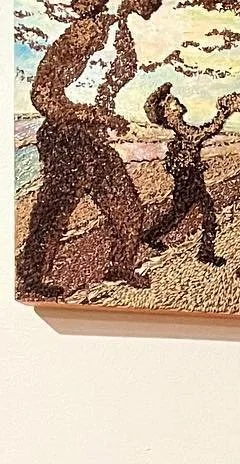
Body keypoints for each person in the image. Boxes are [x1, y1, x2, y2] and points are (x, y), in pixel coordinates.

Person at [16, 0, 162, 298]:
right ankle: (30, 281)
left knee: (128, 207)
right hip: (67, 137)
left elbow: (107, 84)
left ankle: (120, 266)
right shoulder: (83, 32)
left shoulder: (116, 27)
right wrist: (91, 115)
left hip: (92, 138)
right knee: (53, 213)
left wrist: (104, 116)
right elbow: (42, 94)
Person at [140, 83, 228, 265]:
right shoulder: (185, 132)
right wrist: (223, 113)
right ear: (167, 113)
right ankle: (205, 252)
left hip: (190, 179)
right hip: (189, 180)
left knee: (182, 212)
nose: (176, 101)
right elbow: (207, 131)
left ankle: (151, 236)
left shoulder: (183, 130)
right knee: (199, 212)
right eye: (171, 101)